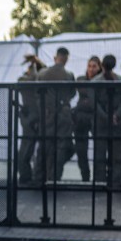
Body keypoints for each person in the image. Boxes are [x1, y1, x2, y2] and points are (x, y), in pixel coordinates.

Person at [32, 46, 75, 183]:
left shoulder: (43, 74)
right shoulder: (69, 75)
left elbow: (37, 92)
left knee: (44, 145)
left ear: (55, 57)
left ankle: (39, 177)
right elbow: (72, 93)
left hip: (47, 114)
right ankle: (55, 177)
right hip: (63, 114)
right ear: (66, 59)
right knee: (61, 147)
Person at [92, 55, 121, 186]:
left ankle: (102, 182)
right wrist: (116, 116)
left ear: (102, 64)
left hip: (105, 122)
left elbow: (93, 103)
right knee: (116, 155)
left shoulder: (96, 81)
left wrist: (108, 117)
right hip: (115, 121)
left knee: (103, 155)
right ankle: (115, 182)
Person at [72, 55, 102, 182]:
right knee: (81, 149)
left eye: (94, 66)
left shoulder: (102, 80)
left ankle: (99, 177)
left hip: (96, 116)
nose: (91, 69)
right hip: (80, 117)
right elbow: (84, 90)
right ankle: (85, 176)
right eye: (89, 66)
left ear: (99, 67)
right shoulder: (81, 79)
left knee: (99, 148)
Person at [15, 54, 44, 184]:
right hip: (32, 119)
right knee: (27, 151)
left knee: (29, 150)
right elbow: (35, 77)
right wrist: (36, 64)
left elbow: (34, 77)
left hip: (34, 118)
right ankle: (28, 176)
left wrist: (35, 64)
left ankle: (29, 176)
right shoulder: (25, 80)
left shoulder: (34, 78)